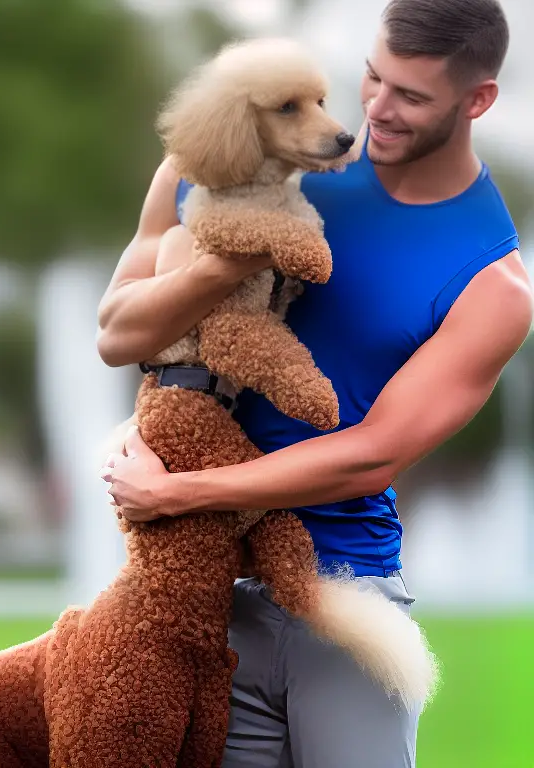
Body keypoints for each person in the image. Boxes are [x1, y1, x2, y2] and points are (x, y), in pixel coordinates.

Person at [97, 1, 529, 766]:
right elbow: (119, 334)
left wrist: (178, 494)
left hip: (346, 603)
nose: (375, 110)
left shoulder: (493, 285)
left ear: (478, 102)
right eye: (371, 77)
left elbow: (373, 452)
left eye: (412, 96)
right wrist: (226, 262)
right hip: (203, 593)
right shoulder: (235, 162)